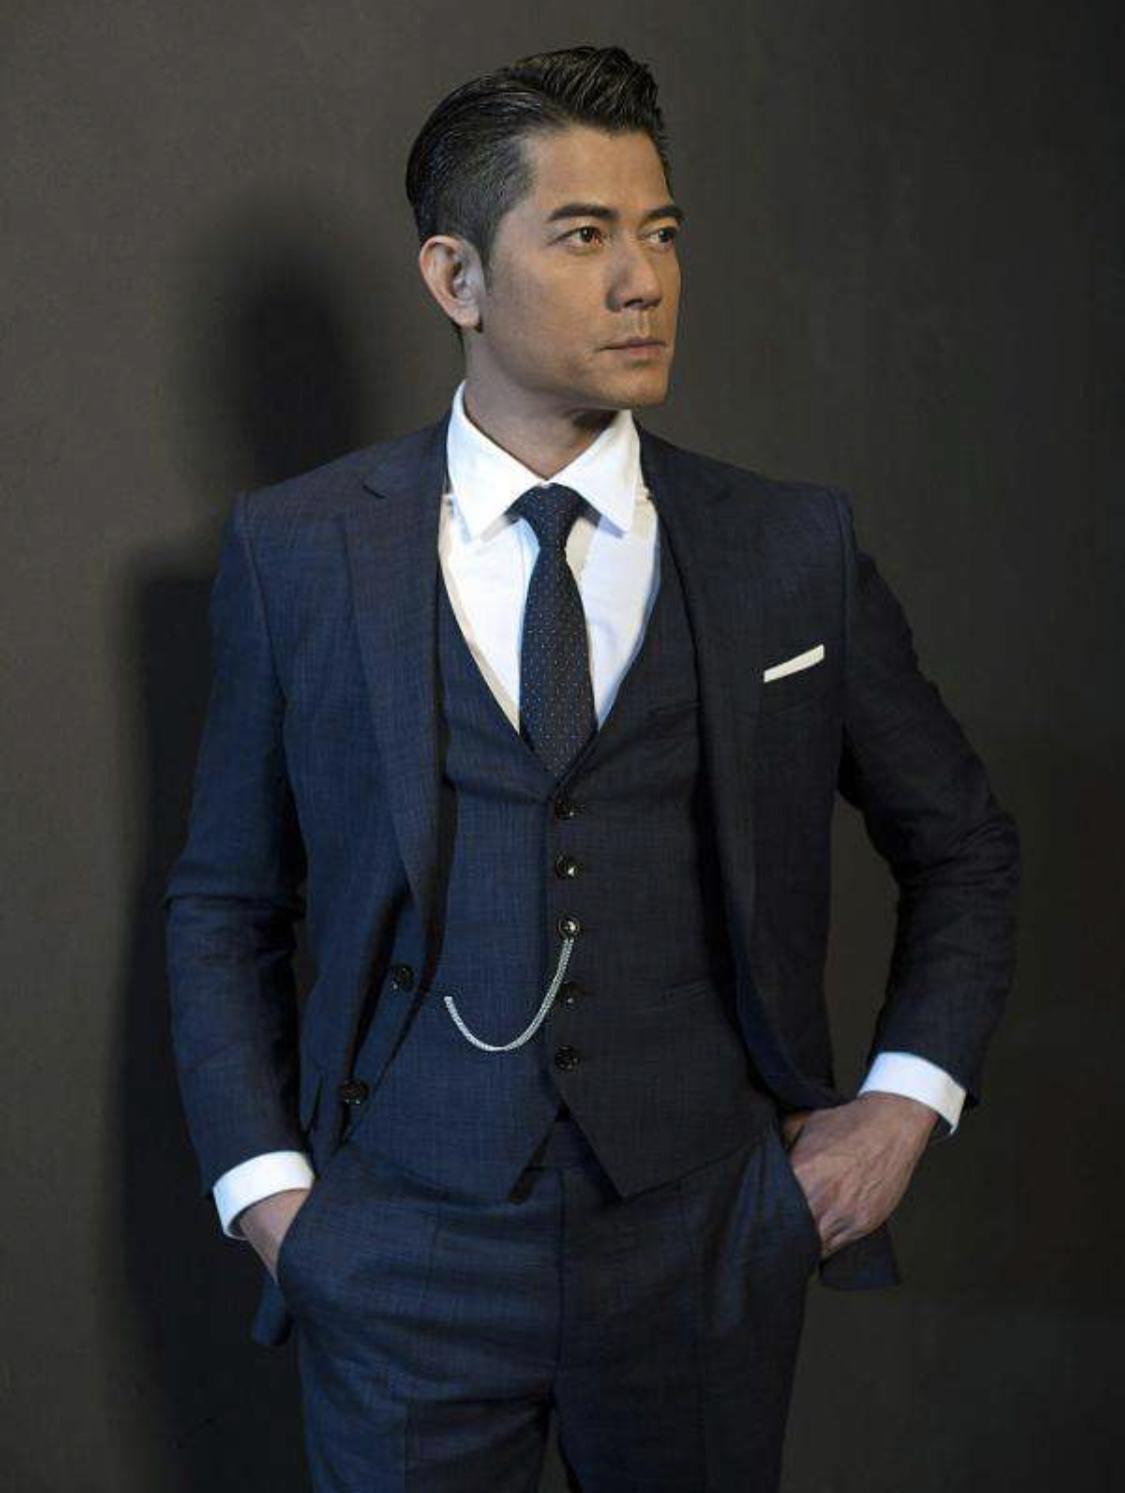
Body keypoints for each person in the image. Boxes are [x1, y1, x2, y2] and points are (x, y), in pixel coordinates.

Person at [163, 43, 1021, 1492]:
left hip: (704, 1242)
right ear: (455, 278)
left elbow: (963, 846)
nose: (645, 280)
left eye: (661, 232)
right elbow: (224, 901)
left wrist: (902, 1103)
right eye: (583, 235)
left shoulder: (785, 548)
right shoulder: (297, 550)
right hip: (398, 1247)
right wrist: (271, 1198)